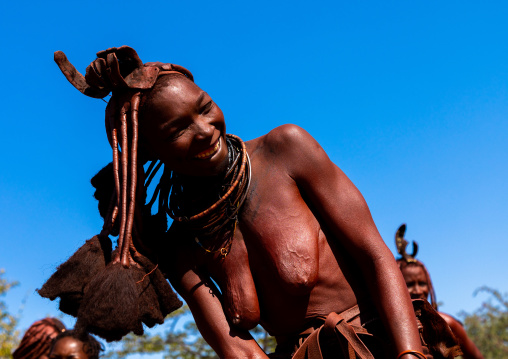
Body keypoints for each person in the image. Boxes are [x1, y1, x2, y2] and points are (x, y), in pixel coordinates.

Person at [40, 46, 458, 359]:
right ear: (153, 152)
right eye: (177, 130)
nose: (205, 130)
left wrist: (408, 354)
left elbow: (375, 256)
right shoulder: (183, 245)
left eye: (204, 108)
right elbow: (239, 349)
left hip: (385, 342)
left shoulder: (286, 150)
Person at [395, 224, 484, 359]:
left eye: (422, 284)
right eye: (410, 284)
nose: (418, 290)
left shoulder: (446, 323)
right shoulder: (388, 326)